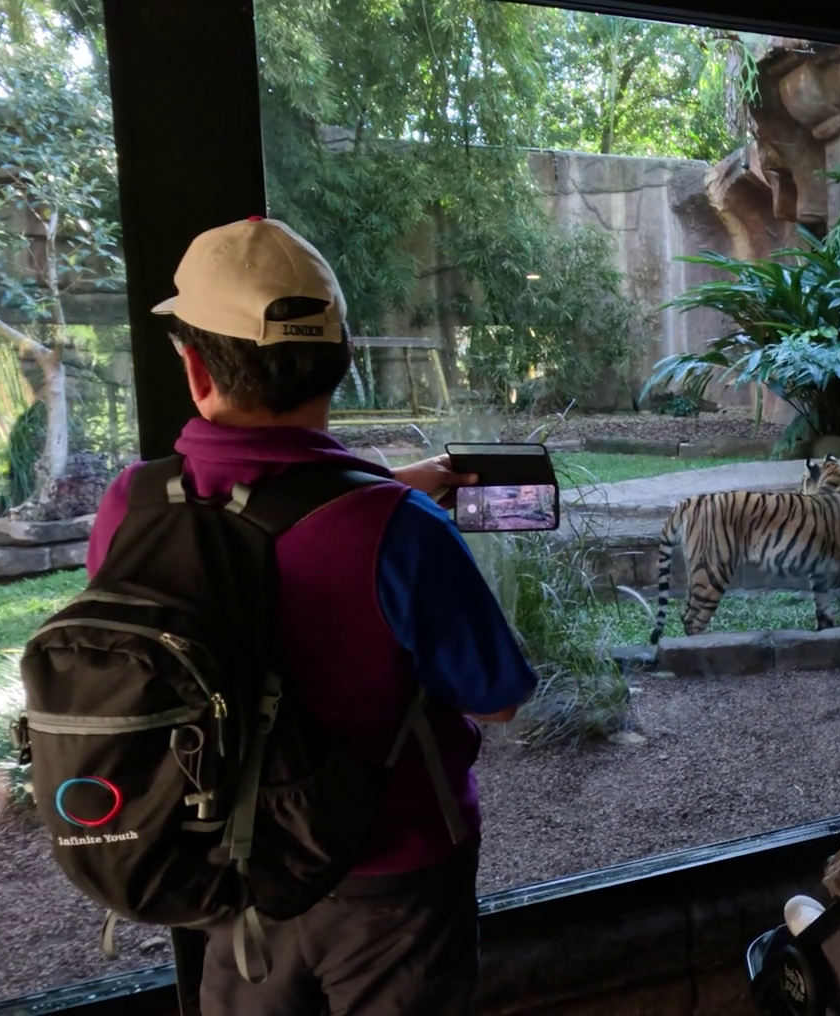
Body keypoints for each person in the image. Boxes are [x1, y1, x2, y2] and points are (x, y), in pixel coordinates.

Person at [85, 216, 538, 1014]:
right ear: (341, 361)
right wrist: (386, 502)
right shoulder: (400, 531)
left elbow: (247, 538)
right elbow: (495, 697)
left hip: (229, 869)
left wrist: (380, 488)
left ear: (196, 368)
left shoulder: (134, 506)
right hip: (392, 876)